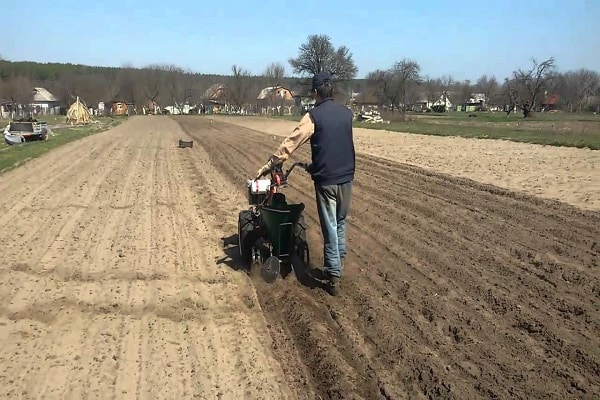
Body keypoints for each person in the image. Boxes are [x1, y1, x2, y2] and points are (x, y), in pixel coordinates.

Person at [255, 72, 355, 296]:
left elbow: (291, 142)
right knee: (340, 222)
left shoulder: (313, 116)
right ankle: (339, 262)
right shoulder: (347, 113)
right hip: (347, 177)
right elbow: (336, 144)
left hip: (327, 180)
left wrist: (271, 164)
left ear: (315, 92)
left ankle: (333, 275)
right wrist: (315, 164)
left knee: (329, 224)